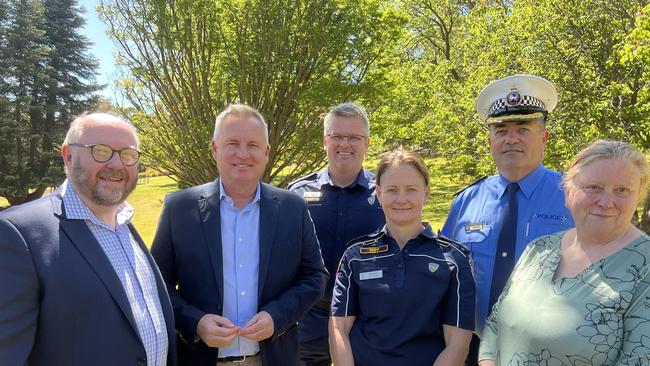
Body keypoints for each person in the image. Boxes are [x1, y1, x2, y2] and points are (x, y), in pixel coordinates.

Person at [151, 104, 328, 366]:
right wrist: (196, 322)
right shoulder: (179, 208)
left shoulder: (293, 207)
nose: (242, 153)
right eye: (232, 143)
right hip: (200, 359)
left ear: (266, 152)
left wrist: (276, 317)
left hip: (272, 359)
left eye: (253, 145)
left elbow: (315, 276)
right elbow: (156, 284)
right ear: (214, 148)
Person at [0, 112, 176, 366]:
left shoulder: (126, 225)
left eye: (127, 154)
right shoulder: (18, 234)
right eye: (101, 151)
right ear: (68, 155)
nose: (116, 164)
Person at [441, 74, 575, 364]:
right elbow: (446, 274)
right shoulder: (466, 201)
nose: (511, 138)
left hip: (545, 350)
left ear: (544, 137)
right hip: (470, 347)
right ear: (490, 140)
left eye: (523, 128)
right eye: (501, 129)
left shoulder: (574, 198)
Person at [479, 139, 650, 365]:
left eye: (622, 190)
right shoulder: (540, 248)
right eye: (594, 187)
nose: (607, 201)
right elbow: (494, 327)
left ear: (637, 196)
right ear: (568, 191)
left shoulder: (644, 265)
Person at [330, 148, 475, 366]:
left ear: (426, 192)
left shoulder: (454, 259)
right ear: (378, 194)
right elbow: (338, 328)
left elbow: (458, 343)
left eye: (411, 189)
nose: (401, 199)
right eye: (392, 190)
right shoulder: (355, 256)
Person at [288, 102, 385, 366]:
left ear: (366, 143)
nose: (345, 144)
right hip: (309, 317)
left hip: (368, 319)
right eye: (337, 136)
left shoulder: (384, 193)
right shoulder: (296, 194)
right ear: (325, 141)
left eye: (353, 137)